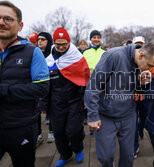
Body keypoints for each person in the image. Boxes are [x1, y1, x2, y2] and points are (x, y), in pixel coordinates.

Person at [84, 42, 154, 167]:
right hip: (106, 115)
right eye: (149, 65)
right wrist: (92, 115)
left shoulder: (141, 64)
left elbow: (135, 91)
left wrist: (141, 84)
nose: (150, 69)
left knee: (128, 157)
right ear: (141, 55)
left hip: (128, 115)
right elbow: (94, 85)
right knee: (105, 158)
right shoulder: (113, 55)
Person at [0, 1, 50, 166]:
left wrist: (5, 90)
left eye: (7, 19)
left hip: (20, 127)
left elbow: (42, 88)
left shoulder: (32, 52)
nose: (1, 22)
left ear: (20, 25)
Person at [46, 27, 90, 167]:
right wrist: (43, 105)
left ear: (69, 42)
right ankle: (65, 155)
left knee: (74, 131)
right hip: (56, 103)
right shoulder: (48, 60)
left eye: (64, 43)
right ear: (54, 42)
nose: (61, 47)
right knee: (58, 133)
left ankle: (78, 148)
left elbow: (86, 79)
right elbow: (44, 84)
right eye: (57, 44)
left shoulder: (76, 57)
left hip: (74, 100)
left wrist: (86, 99)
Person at [36, 32, 55, 143]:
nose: (40, 41)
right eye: (38, 39)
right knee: (36, 111)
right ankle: (38, 133)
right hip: (37, 87)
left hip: (51, 87)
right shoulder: (34, 53)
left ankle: (52, 132)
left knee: (52, 111)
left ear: (48, 41)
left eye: (43, 39)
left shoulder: (53, 54)